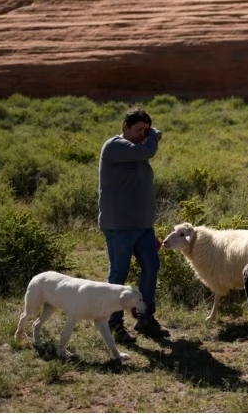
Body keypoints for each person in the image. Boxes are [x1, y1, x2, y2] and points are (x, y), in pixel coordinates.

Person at [98, 108, 170, 341]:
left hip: (143, 226)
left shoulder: (137, 152)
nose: (143, 134)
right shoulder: (115, 146)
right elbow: (149, 150)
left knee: (151, 267)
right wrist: (154, 135)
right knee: (119, 273)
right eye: (139, 130)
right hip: (119, 226)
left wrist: (150, 225)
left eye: (146, 130)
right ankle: (113, 324)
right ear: (125, 128)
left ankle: (145, 319)